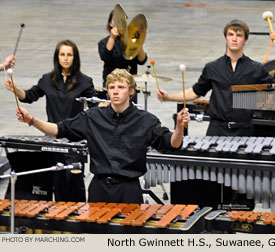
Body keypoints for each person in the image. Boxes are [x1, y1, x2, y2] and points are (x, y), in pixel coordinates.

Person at [157, 19, 275, 209]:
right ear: (225, 38)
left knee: (242, 185)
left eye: (239, 35)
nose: (234, 39)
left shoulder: (255, 68)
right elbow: (195, 92)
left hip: (244, 132)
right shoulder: (213, 67)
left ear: (245, 40)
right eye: (231, 35)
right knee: (213, 182)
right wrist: (168, 97)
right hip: (217, 131)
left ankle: (240, 214)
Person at [16, 68, 189, 203]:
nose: (115, 91)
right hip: (98, 188)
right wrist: (31, 120)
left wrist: (180, 127)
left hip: (128, 190)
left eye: (121, 87)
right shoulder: (92, 117)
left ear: (131, 91)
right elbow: (58, 129)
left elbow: (172, 143)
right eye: (112, 87)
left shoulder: (146, 120)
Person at [5, 40, 96, 202]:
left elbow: (95, 105)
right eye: (62, 54)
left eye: (69, 55)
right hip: (52, 139)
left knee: (74, 182)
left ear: (75, 58)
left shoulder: (85, 82)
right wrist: (15, 89)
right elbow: (29, 96)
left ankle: (79, 221)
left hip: (75, 141)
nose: (66, 58)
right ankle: (60, 223)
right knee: (57, 182)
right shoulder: (47, 80)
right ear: (57, 57)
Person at [98, 10, 147, 88]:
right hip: (111, 83)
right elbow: (105, 57)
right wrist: (112, 37)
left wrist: (138, 43)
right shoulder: (103, 42)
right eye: (116, 19)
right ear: (110, 23)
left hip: (129, 84)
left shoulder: (131, 41)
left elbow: (142, 61)